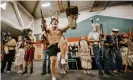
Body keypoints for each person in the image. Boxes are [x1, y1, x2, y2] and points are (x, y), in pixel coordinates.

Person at [42, 14, 78, 80]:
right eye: (53, 21)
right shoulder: (48, 30)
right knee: (53, 62)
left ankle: (63, 59)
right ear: (51, 23)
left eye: (56, 21)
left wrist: (74, 19)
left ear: (57, 23)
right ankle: (53, 76)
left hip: (59, 45)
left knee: (63, 39)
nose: (55, 22)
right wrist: (44, 22)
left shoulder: (60, 29)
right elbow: (44, 28)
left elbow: (69, 25)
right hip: (52, 47)